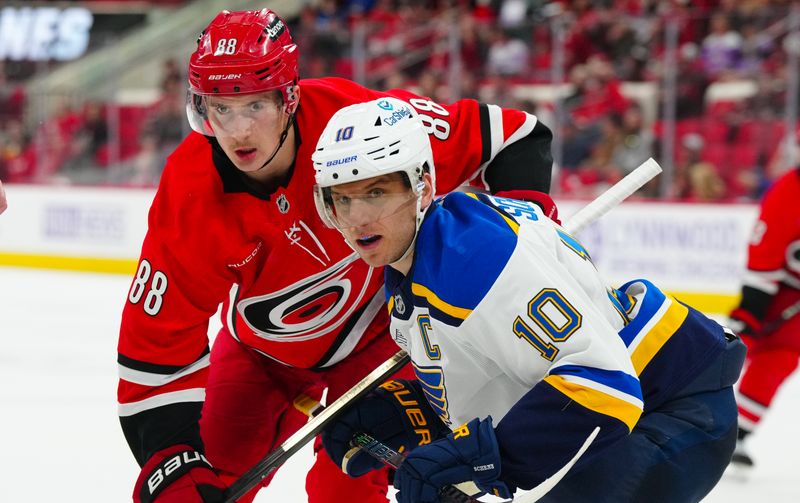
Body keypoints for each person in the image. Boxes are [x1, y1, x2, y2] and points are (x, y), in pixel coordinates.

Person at [116, 8, 554, 503]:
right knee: (207, 478)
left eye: (255, 106)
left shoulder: (356, 124)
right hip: (262, 357)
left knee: (343, 490)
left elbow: (514, 138)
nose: (237, 132)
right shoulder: (190, 195)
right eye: (221, 109)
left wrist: (527, 235)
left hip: (383, 345)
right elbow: (152, 360)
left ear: (288, 98)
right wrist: (171, 466)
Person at [314, 98, 746, 503]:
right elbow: (499, 376)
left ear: (422, 185)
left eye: (376, 193)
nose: (358, 219)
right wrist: (408, 413)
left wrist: (478, 458)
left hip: (668, 403)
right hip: (621, 407)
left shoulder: (476, 257)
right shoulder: (411, 262)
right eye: (343, 200)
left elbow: (603, 385)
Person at [728, 166, 800, 468]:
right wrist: (753, 306)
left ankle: (737, 431)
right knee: (738, 343)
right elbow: (767, 249)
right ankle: (676, 403)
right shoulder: (790, 190)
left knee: (783, 358)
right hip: (776, 291)